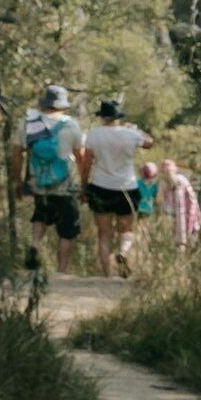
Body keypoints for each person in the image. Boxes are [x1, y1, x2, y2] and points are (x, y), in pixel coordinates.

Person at [80, 97, 153, 276]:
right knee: (126, 230)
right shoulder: (130, 134)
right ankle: (124, 252)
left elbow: (87, 162)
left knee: (104, 233)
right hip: (126, 187)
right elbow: (150, 142)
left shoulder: (94, 134)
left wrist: (84, 186)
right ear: (118, 116)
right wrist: (137, 130)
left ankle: (107, 274)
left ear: (102, 117)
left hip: (101, 185)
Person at [17, 84, 84, 275]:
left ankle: (36, 244)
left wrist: (18, 181)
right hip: (64, 186)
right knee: (67, 230)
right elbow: (80, 156)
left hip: (39, 184)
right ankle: (61, 271)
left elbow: (17, 154)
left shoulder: (28, 123)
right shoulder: (71, 125)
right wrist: (84, 183)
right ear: (62, 105)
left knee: (41, 215)